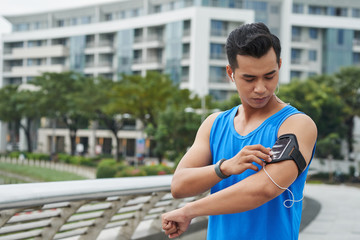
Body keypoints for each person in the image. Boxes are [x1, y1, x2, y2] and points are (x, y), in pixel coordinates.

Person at [161, 22, 317, 240]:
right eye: (249, 78)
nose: (261, 88)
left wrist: (189, 211)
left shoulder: (297, 124)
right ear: (230, 73)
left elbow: (265, 188)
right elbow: (179, 185)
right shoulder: (214, 124)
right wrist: (224, 167)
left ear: (279, 66)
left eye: (269, 76)